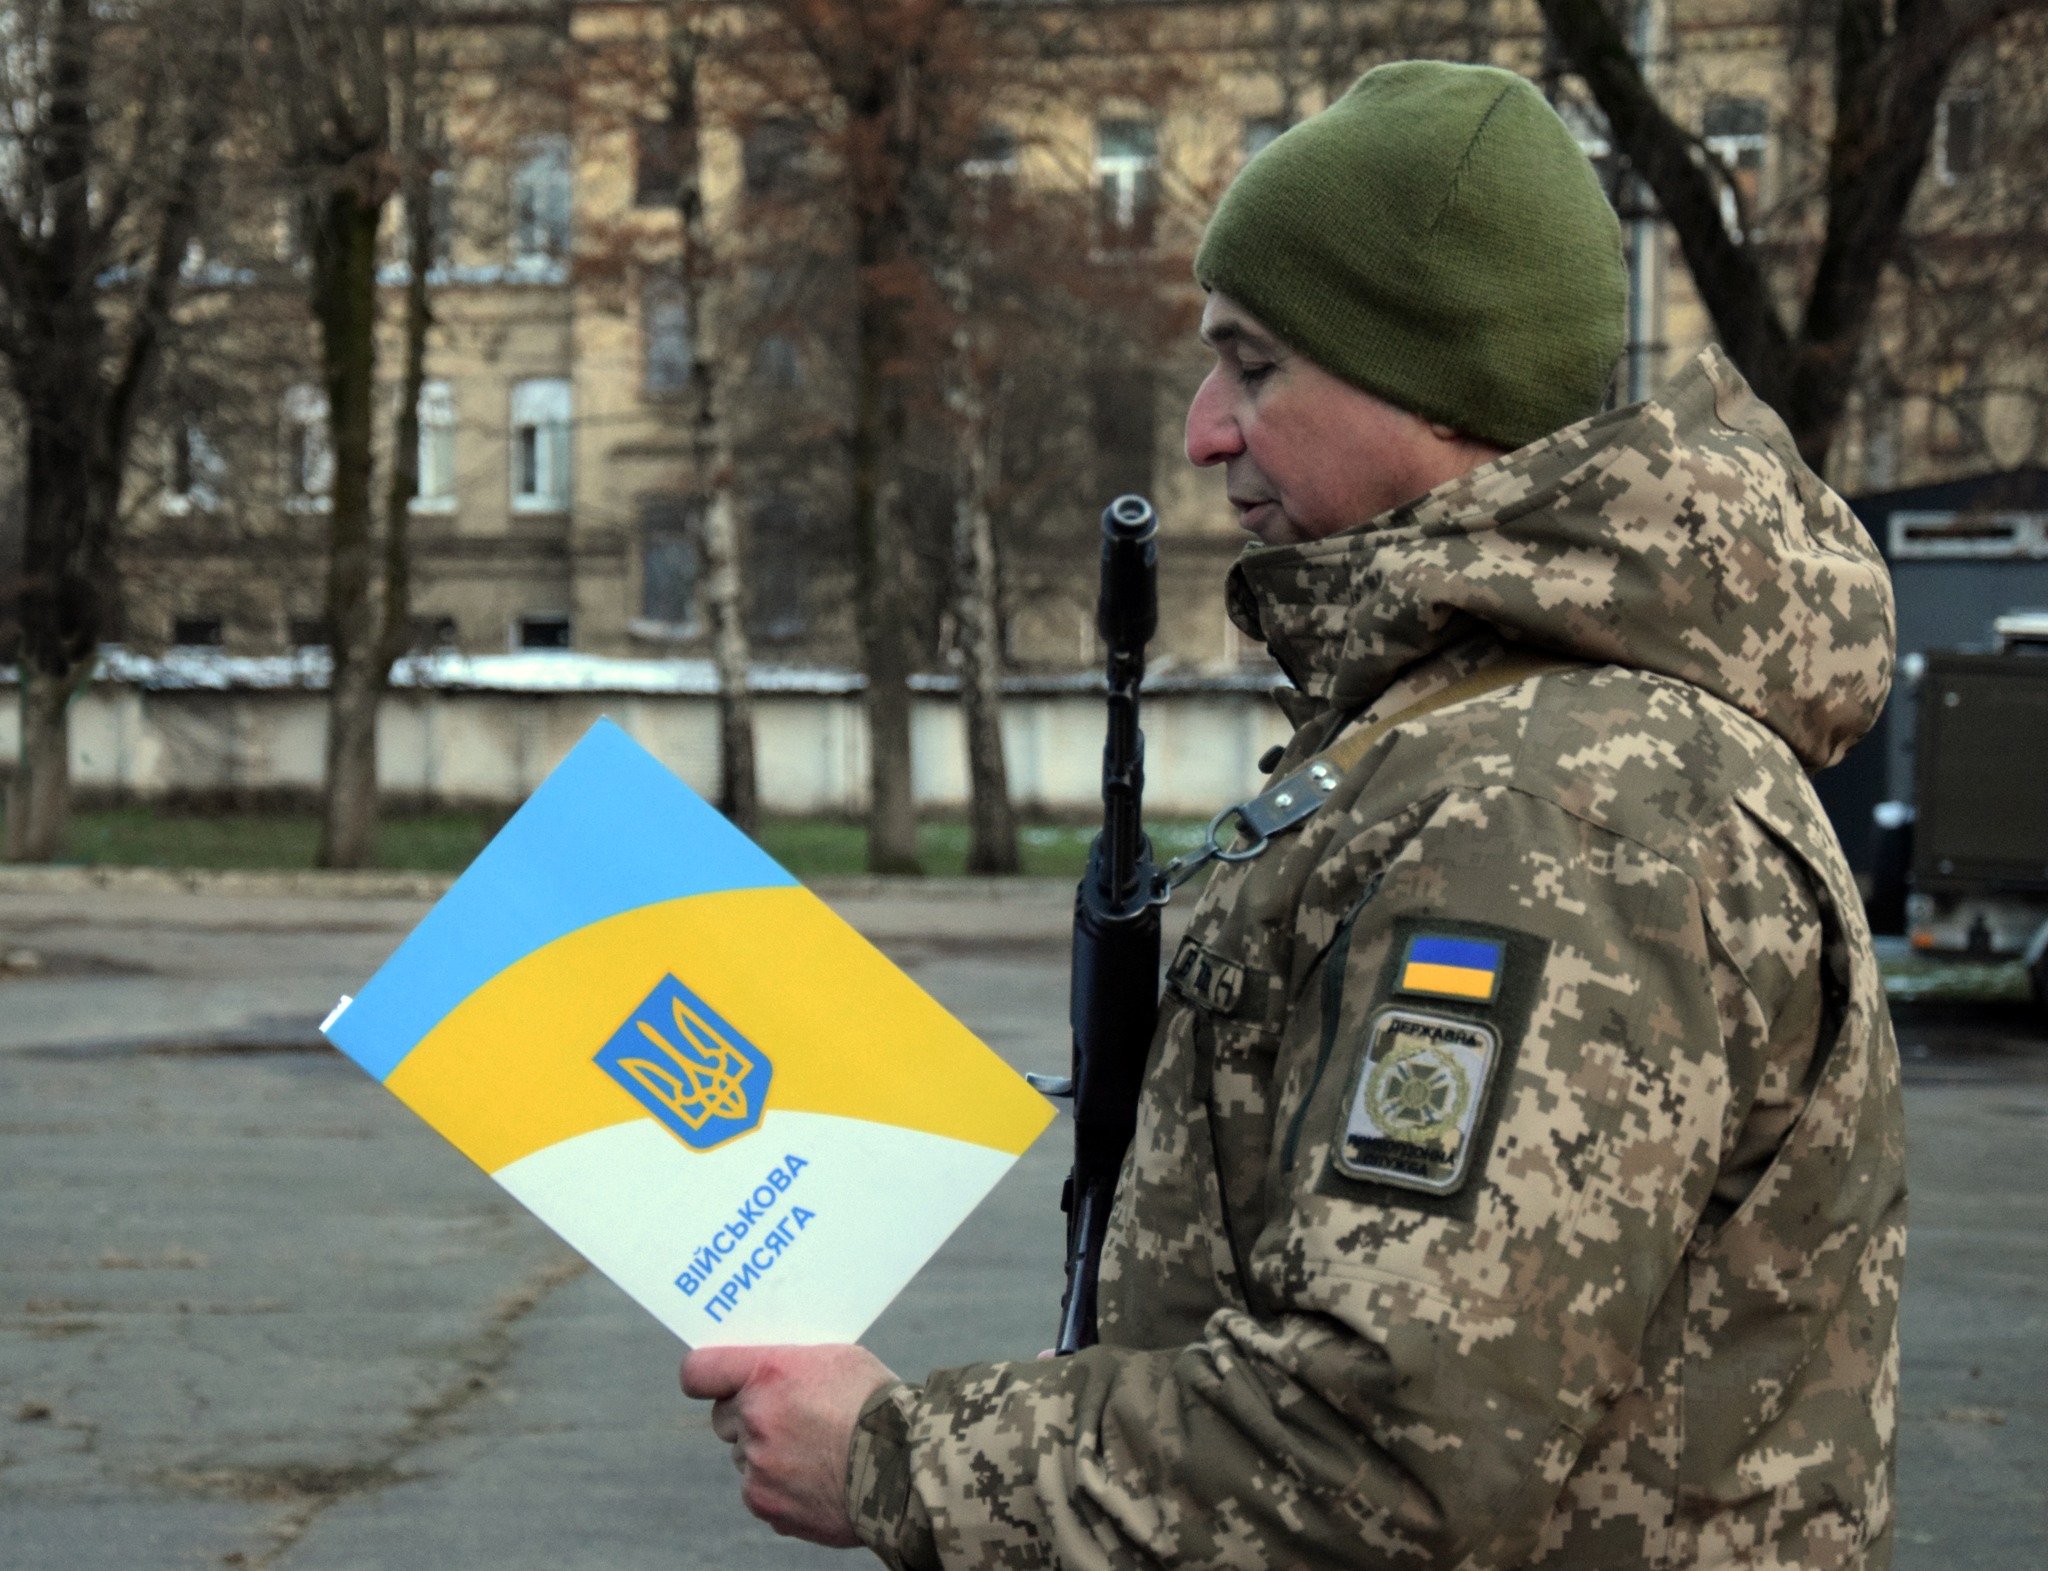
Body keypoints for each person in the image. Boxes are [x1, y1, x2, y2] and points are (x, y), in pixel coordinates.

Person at [684, 60, 1906, 1569]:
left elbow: (1385, 1463)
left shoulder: (1543, 808)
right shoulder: (1474, 738)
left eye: (1253, 367)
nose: (1205, 431)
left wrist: (892, 1462)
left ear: (1435, 384)